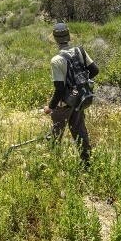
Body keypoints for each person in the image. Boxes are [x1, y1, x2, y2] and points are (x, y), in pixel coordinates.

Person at [43, 22, 99, 164]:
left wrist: (50, 107)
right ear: (69, 37)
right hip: (79, 100)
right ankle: (87, 163)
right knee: (80, 131)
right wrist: (80, 85)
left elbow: (60, 90)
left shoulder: (56, 60)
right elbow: (95, 70)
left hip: (65, 104)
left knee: (56, 134)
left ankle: (51, 164)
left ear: (55, 40)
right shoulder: (80, 51)